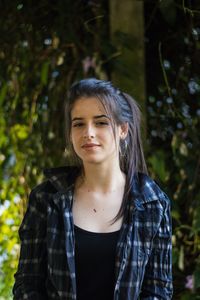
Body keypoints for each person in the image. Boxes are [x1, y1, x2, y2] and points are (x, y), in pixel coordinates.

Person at [13, 78, 173, 300]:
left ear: (123, 129)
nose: (88, 132)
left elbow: (158, 290)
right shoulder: (46, 198)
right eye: (78, 124)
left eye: (100, 122)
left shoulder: (153, 202)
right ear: (70, 132)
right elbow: (27, 284)